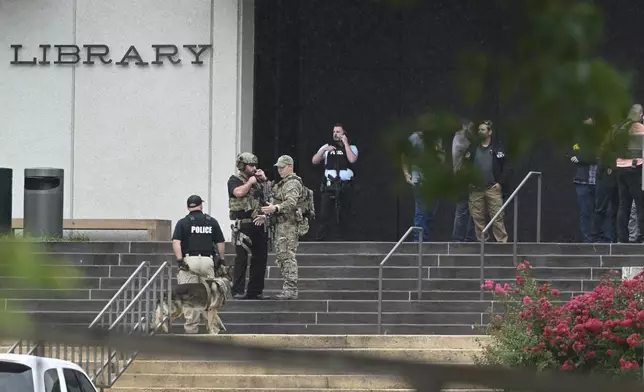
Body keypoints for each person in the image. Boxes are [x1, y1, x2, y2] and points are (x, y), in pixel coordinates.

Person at [171, 194, 226, 333]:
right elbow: (220, 242)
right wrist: (221, 259)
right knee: (210, 297)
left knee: (190, 296)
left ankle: (191, 329)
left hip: (190, 261)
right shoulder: (211, 221)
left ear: (188, 207)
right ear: (201, 205)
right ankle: (213, 329)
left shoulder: (183, 222)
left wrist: (179, 260)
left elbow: (176, 242)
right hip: (207, 261)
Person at [227, 152, 269, 300]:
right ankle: (237, 290)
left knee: (260, 258)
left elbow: (268, 198)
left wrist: (263, 181)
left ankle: (255, 291)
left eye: (255, 165)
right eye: (251, 165)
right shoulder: (234, 180)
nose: (254, 168)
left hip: (258, 224)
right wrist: (250, 182)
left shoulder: (258, 181)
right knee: (241, 258)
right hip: (243, 225)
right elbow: (238, 193)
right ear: (242, 166)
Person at [260, 155, 303, 300]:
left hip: (288, 226)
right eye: (278, 167)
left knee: (287, 256)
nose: (280, 170)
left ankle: (291, 289)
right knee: (283, 256)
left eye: (282, 167)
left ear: (290, 166)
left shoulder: (292, 183)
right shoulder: (284, 183)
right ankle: (289, 288)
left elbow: (291, 202)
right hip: (282, 225)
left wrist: (276, 208)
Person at [464, 120, 511, 243]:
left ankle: (502, 243)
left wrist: (500, 183)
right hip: (476, 189)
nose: (480, 132)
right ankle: (482, 243)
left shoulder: (497, 147)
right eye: (479, 130)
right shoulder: (473, 147)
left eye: (483, 129)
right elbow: (466, 165)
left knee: (497, 216)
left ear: (490, 132)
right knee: (477, 217)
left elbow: (506, 166)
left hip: (492, 188)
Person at [311, 123, 358, 241]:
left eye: (338, 132)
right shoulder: (327, 147)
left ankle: (344, 239)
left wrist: (345, 143)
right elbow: (314, 161)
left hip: (344, 185)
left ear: (344, 133)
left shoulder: (351, 147)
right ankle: (320, 240)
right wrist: (324, 150)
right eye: (334, 132)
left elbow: (352, 159)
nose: (335, 134)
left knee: (344, 213)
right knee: (324, 214)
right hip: (329, 185)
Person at [401, 131, 445, 242]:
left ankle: (426, 240)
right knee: (421, 211)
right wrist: (406, 174)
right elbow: (404, 155)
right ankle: (418, 242)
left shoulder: (438, 138)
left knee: (431, 212)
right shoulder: (414, 138)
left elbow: (442, 157)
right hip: (419, 179)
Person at [452, 119, 476, 242]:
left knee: (468, 209)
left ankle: (466, 237)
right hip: (462, 178)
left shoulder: (462, 138)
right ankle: (459, 238)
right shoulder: (461, 139)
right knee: (463, 209)